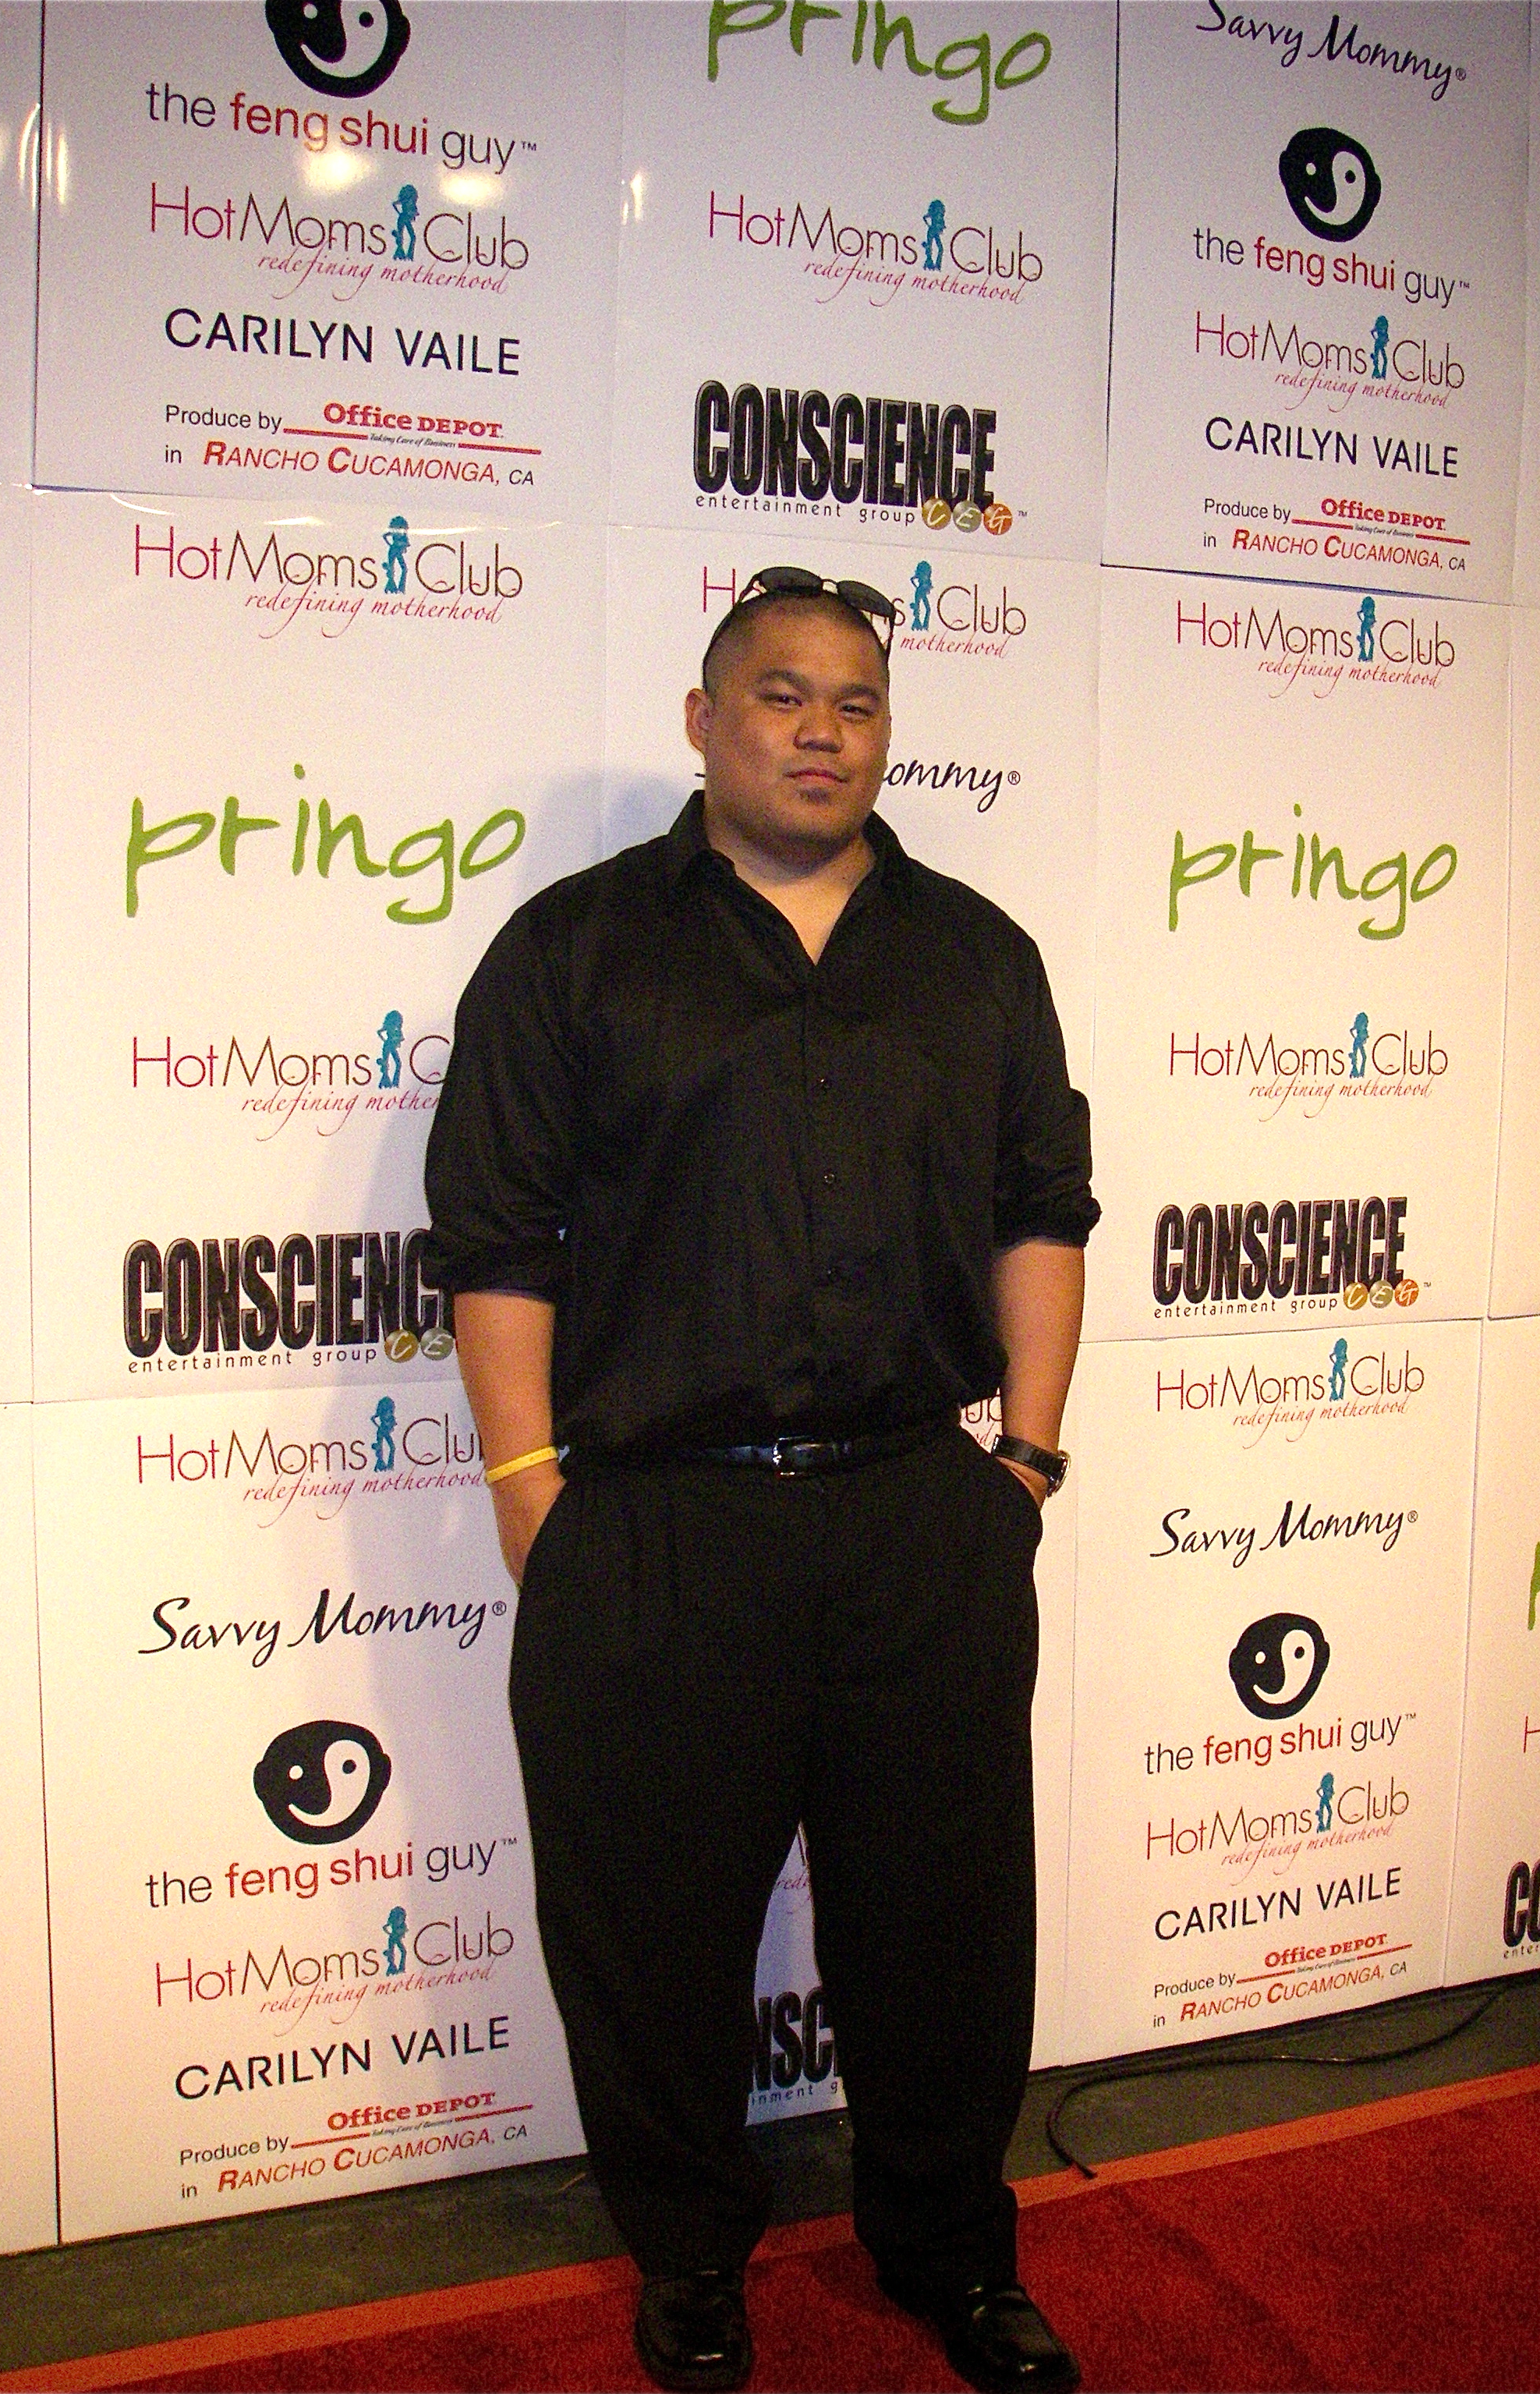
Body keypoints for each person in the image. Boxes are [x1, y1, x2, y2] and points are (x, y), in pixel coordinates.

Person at [423, 565, 1097, 2394]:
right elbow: (496, 1236)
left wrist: (1027, 1460)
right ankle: (691, 2258)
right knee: (651, 1940)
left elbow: (1044, 1208)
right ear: (705, 720)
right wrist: (534, 1493)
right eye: (784, 694)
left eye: (856, 702)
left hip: (921, 1516)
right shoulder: (575, 949)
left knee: (946, 1932)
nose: (822, 729)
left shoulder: (977, 955)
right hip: (659, 1525)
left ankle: (954, 2254)